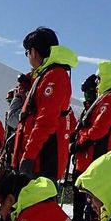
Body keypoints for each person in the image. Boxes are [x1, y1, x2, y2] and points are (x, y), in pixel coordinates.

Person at [13, 27, 77, 180]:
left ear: (33, 52)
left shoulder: (55, 76)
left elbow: (45, 121)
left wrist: (28, 157)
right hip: (37, 159)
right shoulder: (48, 75)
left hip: (42, 161)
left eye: (27, 53)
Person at [71, 62, 111, 221]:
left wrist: (79, 143)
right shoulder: (109, 97)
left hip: (96, 154)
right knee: (85, 191)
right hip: (90, 154)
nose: (97, 82)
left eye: (99, 78)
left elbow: (98, 129)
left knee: (94, 198)